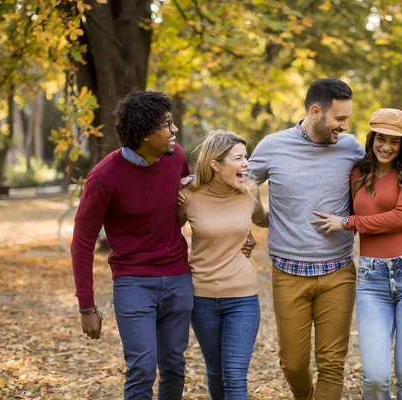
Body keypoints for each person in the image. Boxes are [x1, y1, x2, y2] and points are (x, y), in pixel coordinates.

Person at [247, 79, 402, 399]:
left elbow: (394, 166)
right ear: (315, 111)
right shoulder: (272, 145)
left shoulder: (349, 148)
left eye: (348, 119)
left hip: (338, 272)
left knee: (332, 364)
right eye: (340, 118)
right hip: (288, 271)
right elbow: (243, 181)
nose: (346, 126)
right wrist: (259, 217)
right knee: (292, 364)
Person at [71, 90, 192, 399]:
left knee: (175, 365)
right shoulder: (104, 177)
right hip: (134, 282)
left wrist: (239, 232)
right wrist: (87, 306)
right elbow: (82, 243)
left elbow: (191, 206)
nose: (174, 130)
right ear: (144, 133)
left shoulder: (176, 157)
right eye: (167, 124)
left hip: (178, 278)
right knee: (141, 368)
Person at [311, 108, 402, 399]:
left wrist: (348, 223)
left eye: (394, 142)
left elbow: (401, 218)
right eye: (382, 139)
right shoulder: (358, 173)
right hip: (372, 280)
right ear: (372, 139)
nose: (386, 147)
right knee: (376, 377)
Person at [176, 130, 269, 400]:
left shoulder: (249, 190)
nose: (245, 164)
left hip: (242, 297)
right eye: (238, 158)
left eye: (246, 157)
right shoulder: (189, 194)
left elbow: (264, 219)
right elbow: (168, 231)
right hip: (202, 297)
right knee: (216, 372)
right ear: (215, 164)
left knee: (235, 376)